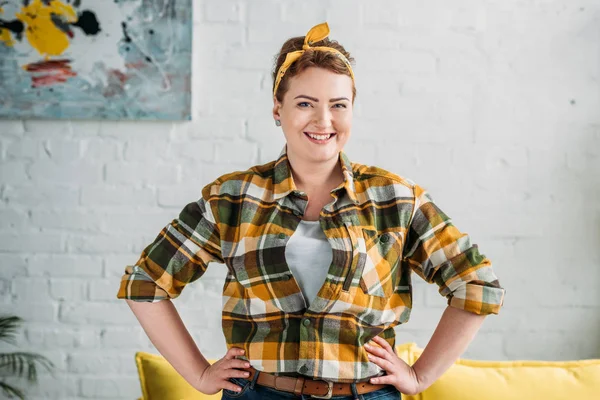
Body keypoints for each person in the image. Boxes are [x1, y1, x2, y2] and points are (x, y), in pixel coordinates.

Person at [117, 22, 505, 400]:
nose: (323, 121)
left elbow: (476, 283)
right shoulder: (232, 199)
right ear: (277, 108)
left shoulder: (397, 199)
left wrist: (421, 375)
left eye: (339, 105)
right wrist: (200, 374)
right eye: (305, 103)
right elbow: (145, 283)